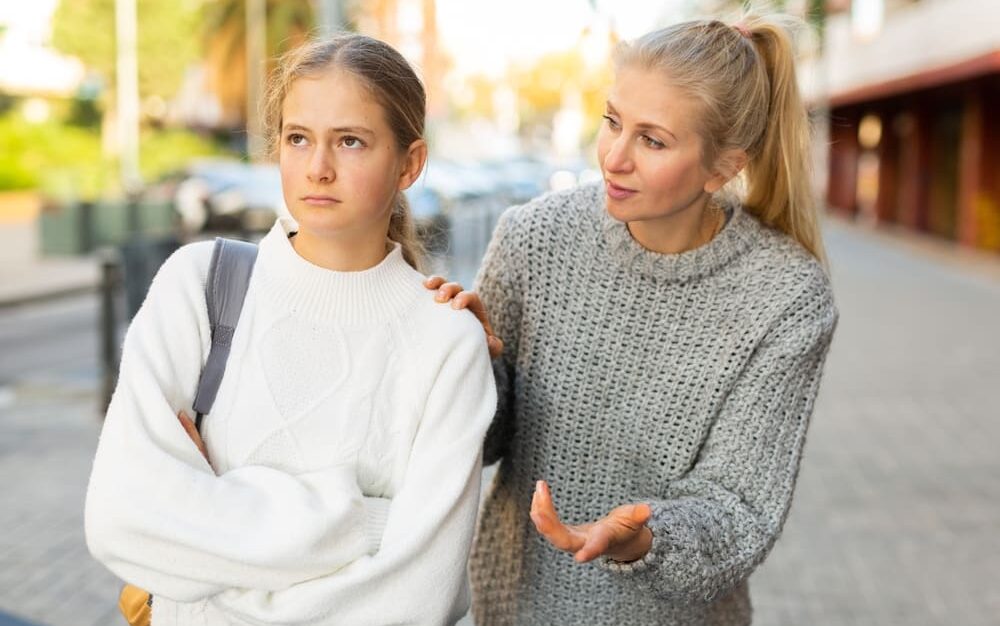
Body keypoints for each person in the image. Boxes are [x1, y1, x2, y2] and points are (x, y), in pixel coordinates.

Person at [426, 15, 839, 626]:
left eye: (653, 140)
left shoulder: (785, 297)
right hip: (520, 604)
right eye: (613, 121)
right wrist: (464, 363)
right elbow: (486, 442)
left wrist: (643, 538)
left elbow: (741, 509)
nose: (614, 158)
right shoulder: (534, 238)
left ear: (723, 167)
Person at [85, 34, 496, 625]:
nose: (318, 168)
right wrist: (368, 522)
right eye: (298, 138)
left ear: (410, 163)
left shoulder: (447, 344)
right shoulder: (201, 286)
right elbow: (122, 518)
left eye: (350, 141)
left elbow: (417, 602)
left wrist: (206, 533)